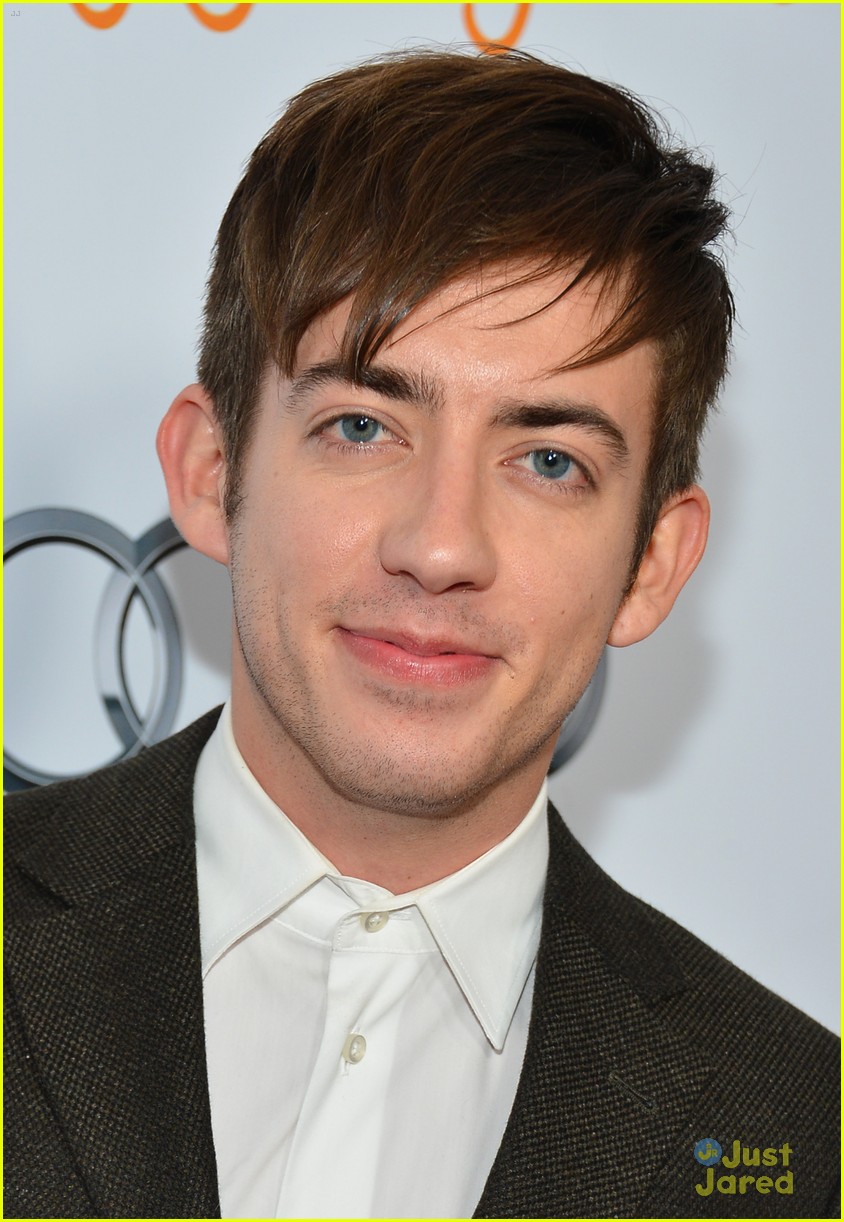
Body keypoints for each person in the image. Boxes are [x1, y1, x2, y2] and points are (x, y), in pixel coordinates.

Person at [4, 48, 837, 1221]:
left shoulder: (800, 1133)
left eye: (547, 460)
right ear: (209, 470)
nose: (441, 546)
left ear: (651, 563)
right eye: (362, 427)